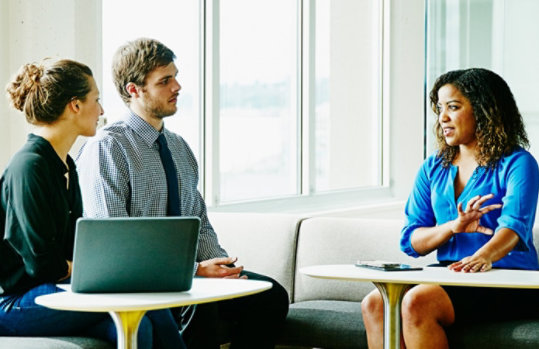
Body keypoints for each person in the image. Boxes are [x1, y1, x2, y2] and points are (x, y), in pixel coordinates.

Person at [75, 38, 289, 349]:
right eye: (165, 81)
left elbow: (197, 220)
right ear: (134, 90)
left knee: (268, 296)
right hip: (140, 284)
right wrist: (196, 272)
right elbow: (117, 247)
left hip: (188, 277)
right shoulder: (108, 148)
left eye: (175, 76)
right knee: (202, 305)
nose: (177, 86)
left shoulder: (179, 147)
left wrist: (220, 267)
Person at [0, 59, 185, 349]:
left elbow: (73, 248)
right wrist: (98, 272)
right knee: (144, 308)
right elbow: (41, 265)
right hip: (19, 302)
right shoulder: (29, 167)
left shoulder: (66, 164)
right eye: (96, 100)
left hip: (54, 291)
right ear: (75, 106)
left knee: (142, 321)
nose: (101, 111)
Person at [361, 68, 539, 348]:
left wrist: (482, 256)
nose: (442, 117)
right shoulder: (434, 167)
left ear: (484, 111)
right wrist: (453, 227)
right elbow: (411, 241)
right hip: (451, 273)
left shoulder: (518, 162)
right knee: (375, 304)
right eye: (440, 108)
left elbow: (514, 227)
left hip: (509, 279)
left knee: (418, 302)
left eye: (453, 107)